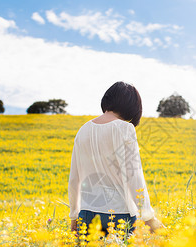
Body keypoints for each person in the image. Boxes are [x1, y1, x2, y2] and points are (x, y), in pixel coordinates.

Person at [68, 81, 164, 235]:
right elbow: (134, 175)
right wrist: (148, 216)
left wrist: (74, 215)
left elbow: (74, 178)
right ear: (132, 106)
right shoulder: (125, 129)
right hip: (119, 213)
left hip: (86, 213)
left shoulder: (82, 130)